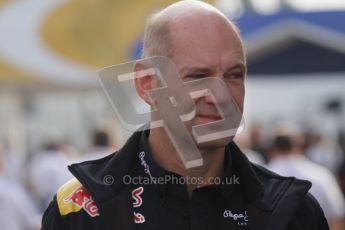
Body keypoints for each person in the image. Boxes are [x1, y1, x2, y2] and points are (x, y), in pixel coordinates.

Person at [41, 1, 329, 229]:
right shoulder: (81, 209)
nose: (219, 96)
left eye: (234, 75)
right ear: (147, 84)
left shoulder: (292, 211)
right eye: (198, 76)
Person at [266, 134, 345, 230]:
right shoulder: (321, 174)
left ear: (274, 149)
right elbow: (337, 214)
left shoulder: (265, 175)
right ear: (300, 147)